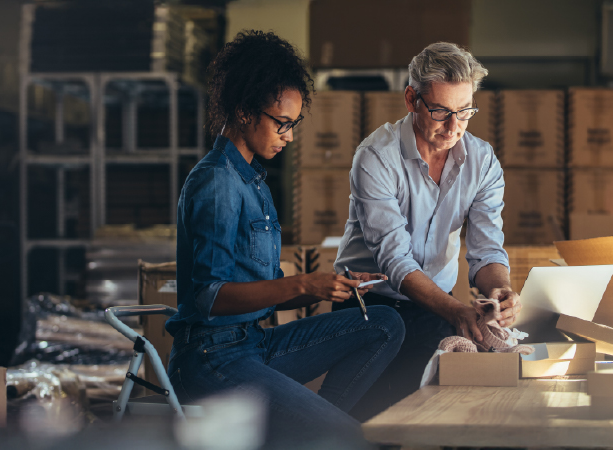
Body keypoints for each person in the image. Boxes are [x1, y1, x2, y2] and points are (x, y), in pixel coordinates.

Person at [165, 30, 405, 443]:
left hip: (253, 343)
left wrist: (331, 286)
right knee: (347, 437)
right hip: (210, 358)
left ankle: (316, 434)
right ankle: (325, 435)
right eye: (282, 123)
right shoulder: (218, 182)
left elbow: (269, 291)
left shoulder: (254, 181)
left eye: (294, 125)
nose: (289, 136)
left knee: (384, 322)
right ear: (244, 112)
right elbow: (209, 297)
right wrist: (304, 283)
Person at [332, 42, 521, 420]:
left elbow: (486, 249)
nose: (454, 127)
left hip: (435, 305)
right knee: (360, 423)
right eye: (440, 112)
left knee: (426, 417)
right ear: (411, 99)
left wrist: (499, 289)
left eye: (464, 112)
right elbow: (395, 260)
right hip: (367, 305)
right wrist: (456, 311)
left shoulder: (482, 161)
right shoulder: (376, 157)